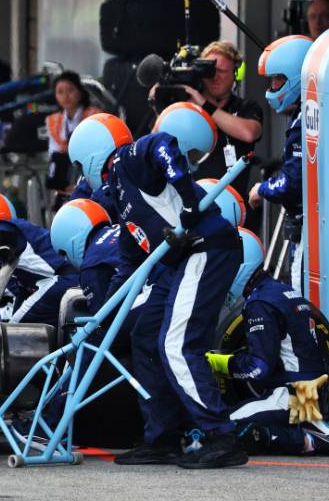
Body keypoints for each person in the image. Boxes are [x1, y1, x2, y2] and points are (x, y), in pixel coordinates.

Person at [68, 105, 246, 469]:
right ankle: (163, 435)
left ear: (89, 154)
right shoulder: (122, 200)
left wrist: (187, 194)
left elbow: (162, 144)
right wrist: (103, 317)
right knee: (145, 336)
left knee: (176, 343)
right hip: (183, 260)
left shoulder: (127, 161)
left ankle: (220, 435)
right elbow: (129, 267)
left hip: (208, 248)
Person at [206, 232, 329, 457]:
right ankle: (307, 427)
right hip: (306, 393)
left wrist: (216, 363)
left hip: (291, 396)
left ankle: (311, 439)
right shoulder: (279, 290)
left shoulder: (260, 304)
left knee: (219, 429)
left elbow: (258, 368)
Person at [249, 36, 312, 292]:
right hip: (306, 222)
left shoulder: (306, 120)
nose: (272, 88)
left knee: (300, 289)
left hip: (312, 224)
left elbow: (293, 181)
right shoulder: (301, 115)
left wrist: (261, 189)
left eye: (278, 80)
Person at [161, 42, 262, 197]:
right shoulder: (186, 109)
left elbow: (249, 133)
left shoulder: (246, 106)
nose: (215, 77)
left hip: (230, 202)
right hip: (190, 199)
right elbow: (160, 141)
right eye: (209, 71)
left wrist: (204, 105)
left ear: (236, 73)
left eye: (221, 71)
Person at [0, 193, 78, 327]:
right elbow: (20, 291)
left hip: (64, 277)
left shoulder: (0, 234)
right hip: (69, 277)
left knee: (15, 333)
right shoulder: (14, 229)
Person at [45, 71, 104, 193]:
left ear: (80, 92)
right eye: (60, 92)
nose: (65, 96)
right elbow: (53, 153)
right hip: (65, 173)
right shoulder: (53, 120)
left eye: (70, 90)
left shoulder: (95, 115)